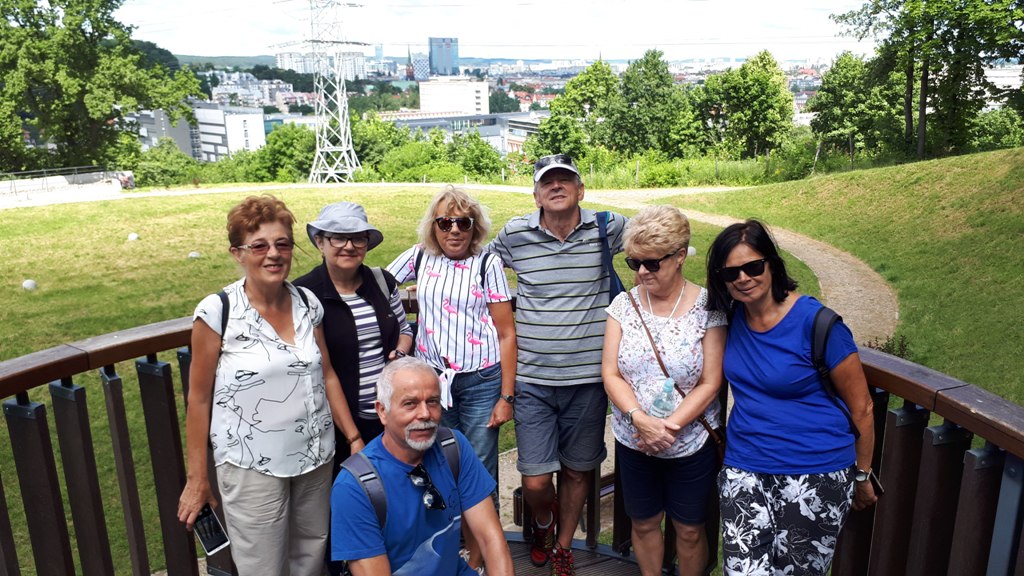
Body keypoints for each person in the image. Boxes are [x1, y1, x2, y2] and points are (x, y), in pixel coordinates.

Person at [177, 195, 363, 576]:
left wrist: (354, 437)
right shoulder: (217, 313)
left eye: (282, 244)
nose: (274, 254)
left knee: (310, 560)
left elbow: (326, 373)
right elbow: (199, 399)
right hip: (252, 467)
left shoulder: (307, 303)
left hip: (316, 458)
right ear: (237, 253)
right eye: (259, 246)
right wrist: (197, 479)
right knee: (262, 567)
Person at [705, 219, 878, 576]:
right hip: (745, 465)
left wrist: (862, 476)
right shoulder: (732, 317)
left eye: (753, 267)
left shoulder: (818, 324)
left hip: (815, 472)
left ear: (772, 264)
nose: (743, 278)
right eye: (731, 272)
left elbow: (862, 406)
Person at [488, 153, 627, 574]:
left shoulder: (608, 227)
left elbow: (658, 239)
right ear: (536, 195)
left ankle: (562, 547)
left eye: (565, 179)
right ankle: (544, 523)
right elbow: (476, 266)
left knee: (578, 471)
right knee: (535, 480)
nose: (556, 186)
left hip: (589, 379)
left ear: (580, 190)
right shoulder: (515, 234)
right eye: (547, 182)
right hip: (532, 379)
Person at [386, 185, 516, 571]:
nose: (454, 230)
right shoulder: (421, 256)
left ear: (475, 227)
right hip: (432, 384)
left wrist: (506, 397)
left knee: (478, 469)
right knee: (435, 464)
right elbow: (377, 284)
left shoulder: (486, 263)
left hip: (480, 381)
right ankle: (443, 549)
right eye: (445, 222)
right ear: (434, 226)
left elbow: (506, 333)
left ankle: (477, 560)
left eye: (463, 222)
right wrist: (402, 335)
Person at [602, 206, 725, 576]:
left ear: (680, 256)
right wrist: (640, 420)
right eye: (633, 262)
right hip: (634, 439)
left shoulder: (707, 308)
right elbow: (611, 373)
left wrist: (667, 428)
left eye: (652, 263)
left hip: (689, 443)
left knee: (689, 529)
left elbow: (710, 382)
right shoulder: (624, 305)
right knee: (643, 523)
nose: (641, 272)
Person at [330, 356, 514, 576]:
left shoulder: (453, 447)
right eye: (410, 403)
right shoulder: (354, 487)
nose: (425, 414)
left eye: (433, 401)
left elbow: (491, 539)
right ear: (382, 411)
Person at [294, 201, 414, 468]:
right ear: (320, 242)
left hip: (389, 417)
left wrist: (399, 354)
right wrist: (353, 436)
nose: (349, 246)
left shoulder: (382, 282)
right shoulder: (303, 294)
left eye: (358, 238)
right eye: (338, 238)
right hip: (334, 427)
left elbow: (404, 330)